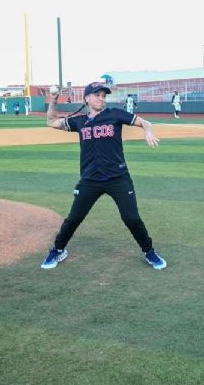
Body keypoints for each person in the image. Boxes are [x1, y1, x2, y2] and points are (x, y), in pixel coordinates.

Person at [41, 82, 167, 270]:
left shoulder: (114, 114)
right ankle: (58, 250)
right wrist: (54, 99)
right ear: (87, 98)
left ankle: (149, 252)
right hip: (90, 180)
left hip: (118, 178)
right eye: (97, 95)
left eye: (103, 95)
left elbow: (145, 123)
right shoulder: (80, 121)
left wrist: (148, 132)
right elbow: (51, 122)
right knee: (74, 219)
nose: (102, 98)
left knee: (131, 218)